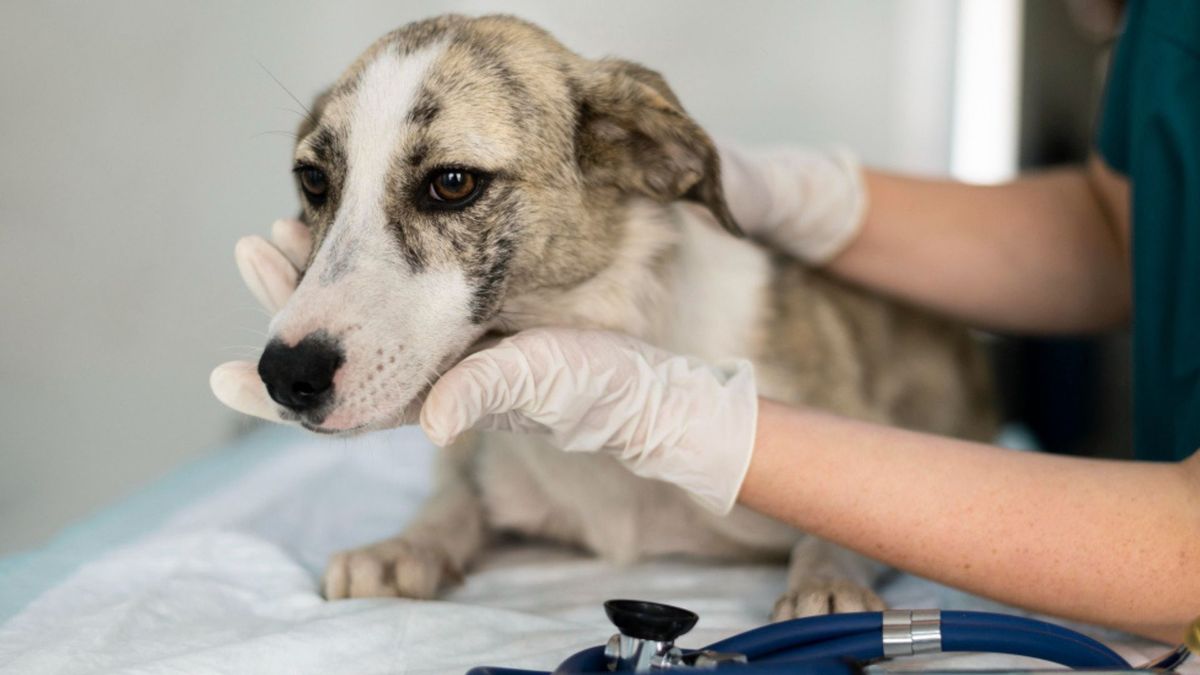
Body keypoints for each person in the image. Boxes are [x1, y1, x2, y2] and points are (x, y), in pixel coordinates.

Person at [214, 1, 1198, 644]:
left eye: (451, 184)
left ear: (623, 149)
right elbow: (1133, 228)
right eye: (320, 182)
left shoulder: (768, 330)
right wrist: (820, 199)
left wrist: (744, 475)